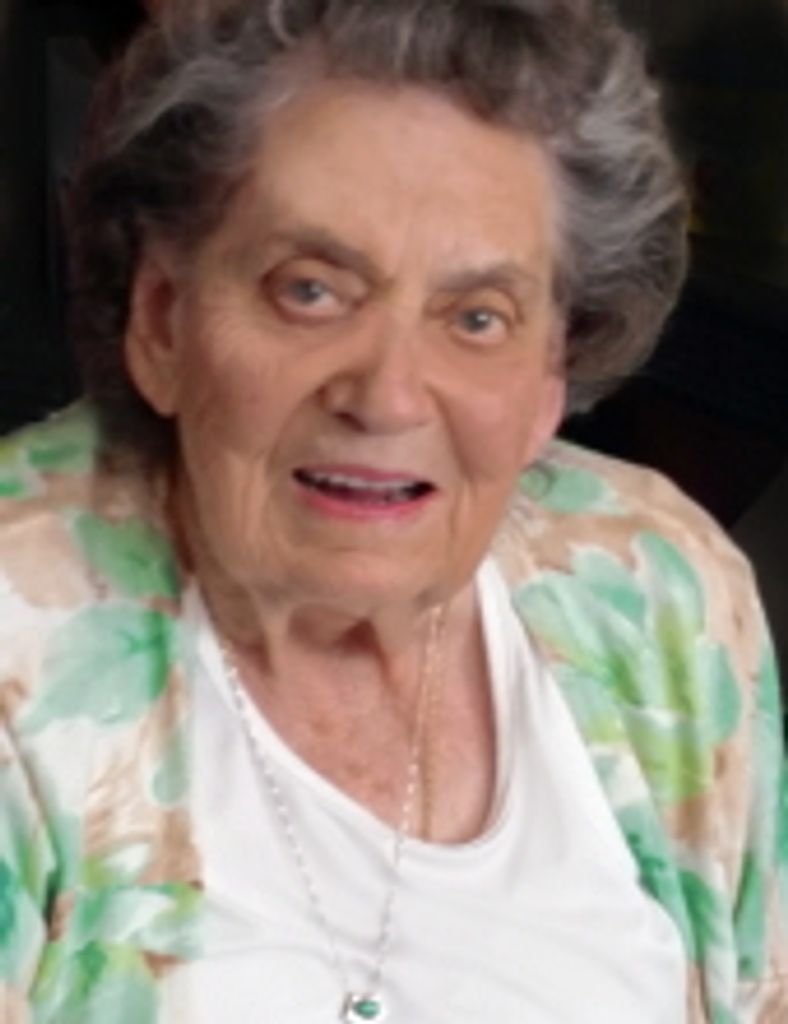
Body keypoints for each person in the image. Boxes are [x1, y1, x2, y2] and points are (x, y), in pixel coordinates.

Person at [0, 1, 785, 1021]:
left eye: (477, 317)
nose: (388, 397)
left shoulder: (658, 585)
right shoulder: (20, 641)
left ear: (549, 375)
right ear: (162, 320)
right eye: (311, 292)